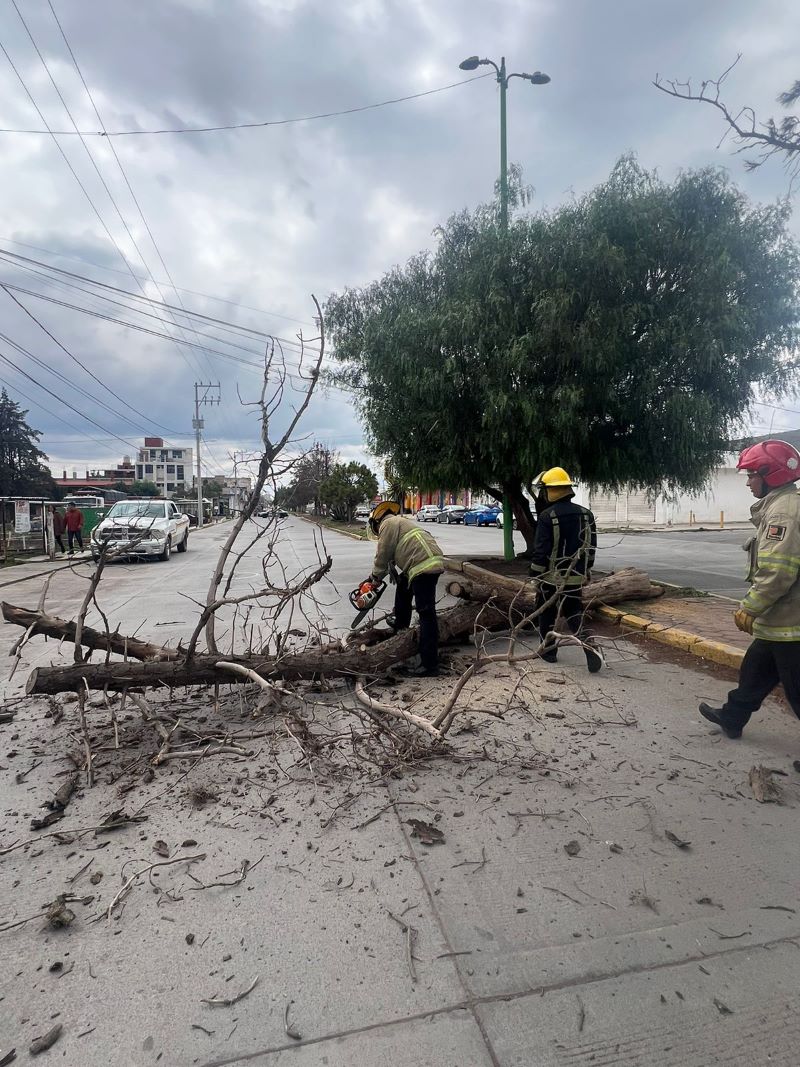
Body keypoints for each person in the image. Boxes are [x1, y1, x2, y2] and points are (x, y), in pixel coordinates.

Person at [700, 439, 800, 739]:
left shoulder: (783, 513)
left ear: (771, 474)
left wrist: (749, 607)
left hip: (791, 624)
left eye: (751, 475)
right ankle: (732, 717)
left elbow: (777, 571)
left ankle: (733, 716)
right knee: (755, 672)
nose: (747, 483)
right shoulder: (782, 505)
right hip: (778, 620)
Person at [529, 467, 603, 672]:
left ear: (551, 491)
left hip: (550, 577)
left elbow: (541, 550)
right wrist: (585, 569)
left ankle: (548, 652)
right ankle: (590, 646)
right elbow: (590, 547)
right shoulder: (586, 515)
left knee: (546, 614)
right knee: (573, 612)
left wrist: (535, 574)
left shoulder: (547, 516)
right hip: (575, 576)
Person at [366, 500, 444, 677]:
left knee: (426, 614)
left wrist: (375, 578)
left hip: (423, 565)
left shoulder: (388, 523)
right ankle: (400, 624)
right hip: (427, 561)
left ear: (376, 521)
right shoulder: (399, 522)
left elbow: (383, 553)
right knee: (403, 584)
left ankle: (429, 665)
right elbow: (393, 556)